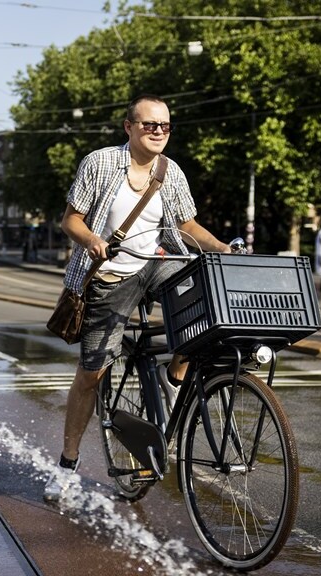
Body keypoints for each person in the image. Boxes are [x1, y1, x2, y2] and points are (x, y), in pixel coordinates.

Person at [44, 94, 231, 502]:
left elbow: (186, 224)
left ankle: (174, 375)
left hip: (154, 263)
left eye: (165, 125)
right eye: (150, 125)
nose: (159, 131)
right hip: (111, 274)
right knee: (92, 372)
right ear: (129, 127)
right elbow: (70, 219)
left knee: (203, 299)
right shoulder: (100, 163)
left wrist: (219, 247)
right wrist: (92, 239)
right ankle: (68, 462)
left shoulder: (171, 170)